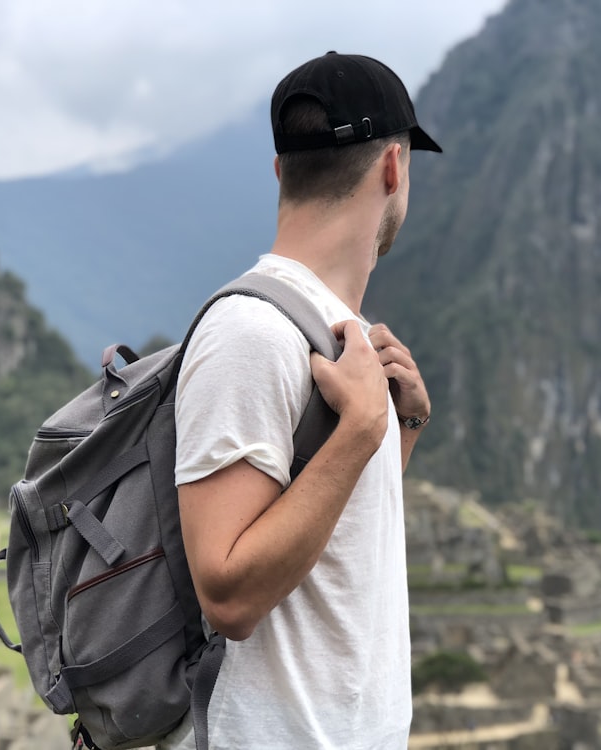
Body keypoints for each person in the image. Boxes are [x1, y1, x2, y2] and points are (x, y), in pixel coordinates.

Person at [159, 51, 441, 749]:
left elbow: (328, 549)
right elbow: (227, 596)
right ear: (393, 170)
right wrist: (361, 430)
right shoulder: (249, 333)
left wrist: (399, 427)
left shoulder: (334, 334)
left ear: (282, 171)